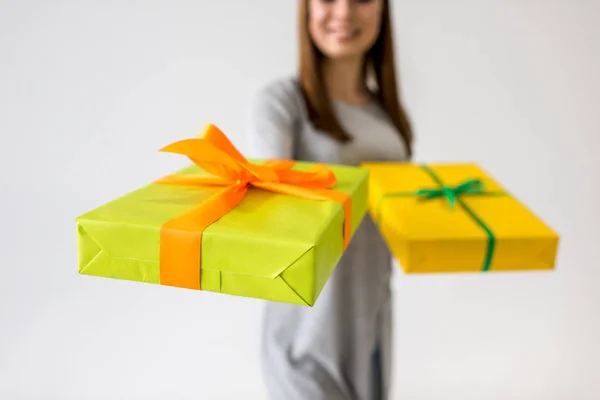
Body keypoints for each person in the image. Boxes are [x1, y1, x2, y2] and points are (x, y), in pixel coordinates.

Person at [245, 0, 413, 399]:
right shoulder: (284, 104)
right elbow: (268, 209)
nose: (343, 13)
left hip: (369, 339)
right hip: (305, 345)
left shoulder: (389, 118)